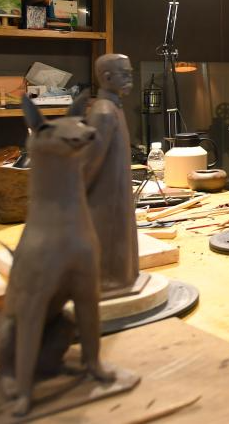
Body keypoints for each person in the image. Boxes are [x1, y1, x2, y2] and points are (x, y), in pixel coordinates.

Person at [84, 53, 140, 295]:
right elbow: (89, 161)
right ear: (107, 77)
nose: (130, 79)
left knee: (122, 239)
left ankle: (124, 277)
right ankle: (111, 282)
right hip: (106, 196)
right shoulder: (104, 112)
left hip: (117, 190)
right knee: (110, 239)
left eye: (130, 73)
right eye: (124, 74)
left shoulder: (114, 107)